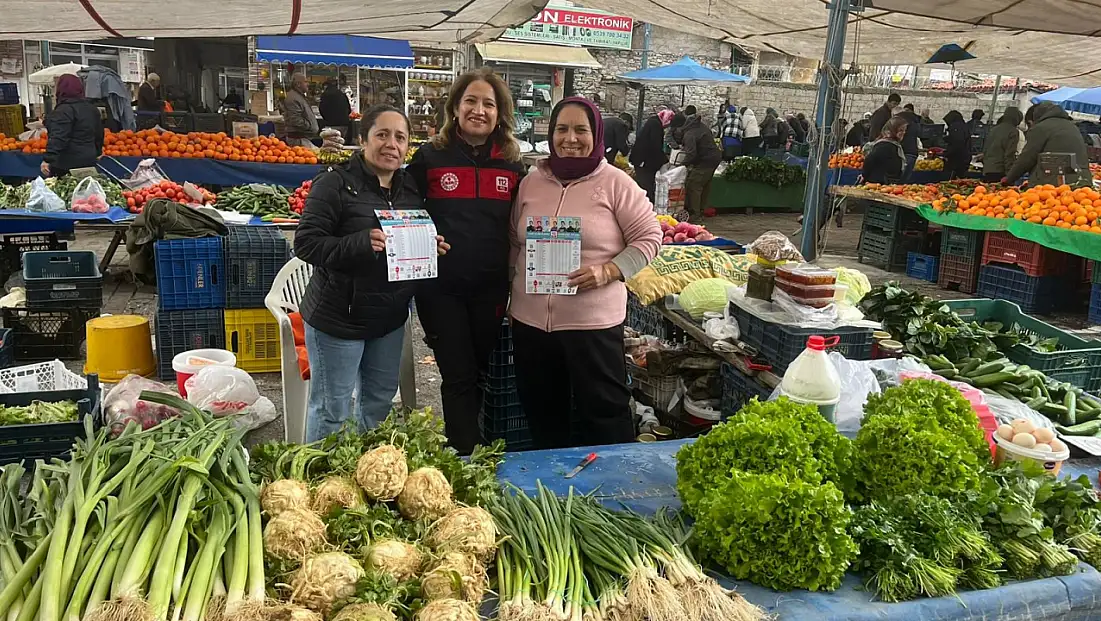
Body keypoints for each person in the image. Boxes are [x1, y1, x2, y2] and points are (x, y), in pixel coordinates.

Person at [508, 96, 662, 450]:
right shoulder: (532, 182)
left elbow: (650, 238)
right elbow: (514, 243)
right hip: (531, 324)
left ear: (597, 134)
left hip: (592, 324)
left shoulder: (616, 183)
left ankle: (611, 493)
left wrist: (609, 271)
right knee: (543, 411)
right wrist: (511, 298)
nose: (570, 138)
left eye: (581, 129)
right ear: (551, 134)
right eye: (562, 129)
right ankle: (554, 489)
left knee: (604, 413)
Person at [294, 104, 449, 442]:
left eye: (400, 138)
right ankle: (321, 481)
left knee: (378, 404)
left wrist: (427, 244)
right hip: (339, 318)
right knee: (332, 410)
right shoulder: (333, 184)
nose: (391, 144)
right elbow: (305, 244)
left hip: (389, 319)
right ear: (363, 139)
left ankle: (367, 473)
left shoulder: (410, 189)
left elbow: (407, 236)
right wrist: (358, 243)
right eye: (382, 135)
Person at [405, 68, 525, 454]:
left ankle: (479, 446)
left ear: (499, 113)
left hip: (491, 289)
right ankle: (464, 457)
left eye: (488, 104)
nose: (479, 110)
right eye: (470, 101)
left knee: (482, 373)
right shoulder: (430, 157)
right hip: (441, 289)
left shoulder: (511, 163)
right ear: (455, 107)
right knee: (457, 375)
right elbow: (403, 208)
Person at [1004, 102, 1092, 187]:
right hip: (1082, 182)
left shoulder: (1041, 128)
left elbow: (1026, 158)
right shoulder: (1072, 126)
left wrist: (1008, 179)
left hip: (1053, 185)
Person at [41, 74, 102, 178]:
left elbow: (59, 136)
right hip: (89, 160)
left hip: (67, 163)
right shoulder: (92, 109)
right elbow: (99, 134)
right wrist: (98, 152)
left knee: (66, 190)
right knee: (86, 190)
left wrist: (48, 159)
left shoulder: (63, 110)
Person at [679, 106, 722, 221]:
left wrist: (681, 165)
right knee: (705, 184)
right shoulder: (700, 126)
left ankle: (695, 213)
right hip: (714, 157)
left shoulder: (689, 134)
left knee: (693, 184)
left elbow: (691, 154)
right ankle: (702, 210)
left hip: (706, 160)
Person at [630, 111, 668, 201]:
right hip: (644, 161)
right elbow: (655, 146)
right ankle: (646, 206)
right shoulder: (656, 126)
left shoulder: (652, 122)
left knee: (643, 184)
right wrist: (664, 159)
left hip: (641, 160)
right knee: (646, 185)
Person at [980, 107, 1024, 183]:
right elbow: (1009, 154)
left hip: (987, 169)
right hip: (1000, 171)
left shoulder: (994, 129)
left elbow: (985, 150)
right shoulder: (1013, 131)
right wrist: (1009, 175)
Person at [862, 116, 908, 184]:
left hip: (887, 182)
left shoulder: (893, 144)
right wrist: (864, 175)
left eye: (905, 130)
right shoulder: (885, 145)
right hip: (880, 183)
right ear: (893, 130)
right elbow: (870, 159)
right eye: (901, 130)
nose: (904, 132)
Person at [283, 73, 319, 148]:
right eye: (305, 82)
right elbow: (295, 119)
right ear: (298, 84)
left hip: (303, 138)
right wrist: (309, 126)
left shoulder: (299, 96)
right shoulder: (293, 98)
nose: (307, 84)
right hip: (298, 139)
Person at [943, 110, 972, 179]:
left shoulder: (955, 126)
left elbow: (957, 142)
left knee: (950, 180)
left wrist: (947, 153)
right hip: (965, 158)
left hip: (956, 160)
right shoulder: (964, 126)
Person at [896, 105, 922, 182]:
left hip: (903, 152)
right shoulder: (916, 121)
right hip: (913, 153)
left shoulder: (900, 120)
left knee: (897, 181)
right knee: (904, 182)